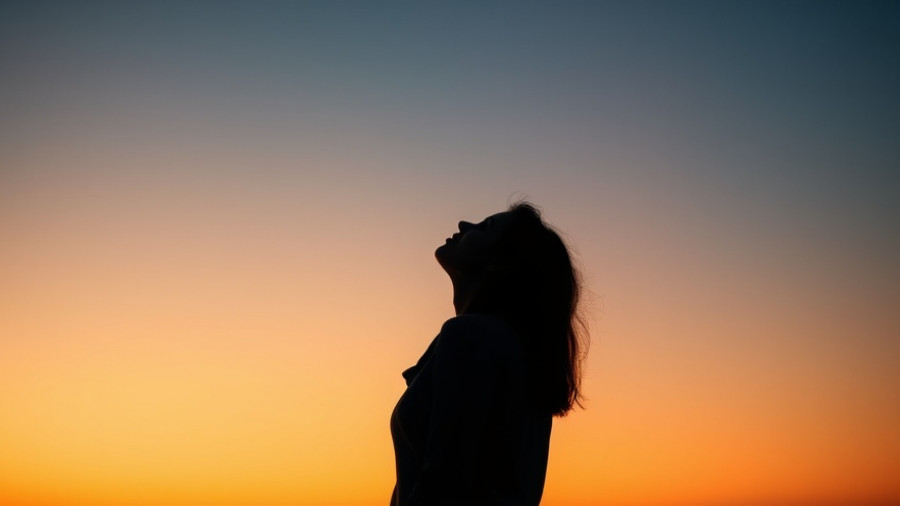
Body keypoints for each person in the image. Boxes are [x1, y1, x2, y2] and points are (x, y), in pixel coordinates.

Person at [390, 201, 587, 506]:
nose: (464, 225)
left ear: (501, 261)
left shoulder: (470, 337)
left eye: (485, 228)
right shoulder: (520, 354)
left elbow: (444, 482)